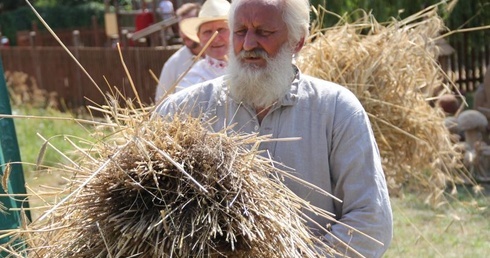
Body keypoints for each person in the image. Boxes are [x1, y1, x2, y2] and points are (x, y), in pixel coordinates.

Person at [156, 0, 393, 257]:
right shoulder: (184, 110)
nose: (247, 45)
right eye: (240, 31)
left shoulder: (336, 110)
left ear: (297, 41)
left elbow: (371, 220)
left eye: (263, 32)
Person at [176, 0, 230, 89]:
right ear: (199, 37)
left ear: (236, 32)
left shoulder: (254, 68)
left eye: (221, 29)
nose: (215, 38)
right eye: (207, 32)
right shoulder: (191, 81)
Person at [155, 2, 203, 102]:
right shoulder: (173, 64)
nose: (185, 33)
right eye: (181, 27)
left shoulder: (220, 57)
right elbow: (160, 102)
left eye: (189, 26)